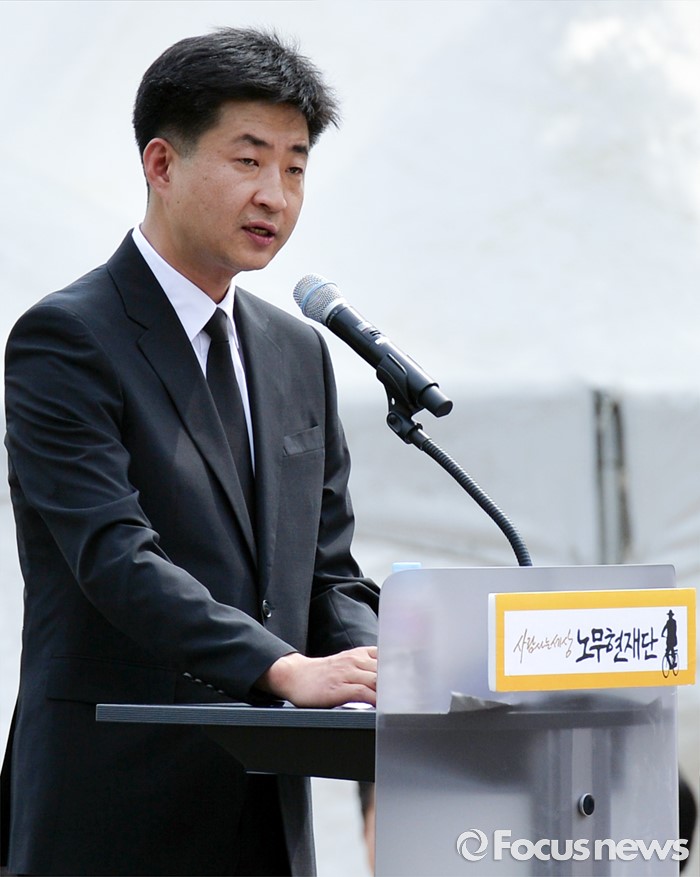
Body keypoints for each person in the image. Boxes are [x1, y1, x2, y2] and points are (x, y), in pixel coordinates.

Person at [0, 28, 379, 877]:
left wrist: (375, 667)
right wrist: (281, 666)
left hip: (264, 815)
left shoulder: (298, 351)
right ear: (161, 164)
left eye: (295, 168)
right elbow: (115, 557)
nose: (275, 195)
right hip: (113, 811)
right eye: (249, 160)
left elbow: (328, 571)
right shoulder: (67, 338)